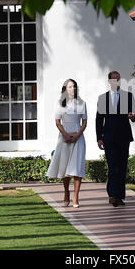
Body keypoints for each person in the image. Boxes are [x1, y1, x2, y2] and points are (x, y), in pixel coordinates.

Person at [96, 71, 135, 207]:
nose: (116, 82)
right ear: (109, 82)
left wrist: (133, 116)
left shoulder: (128, 96)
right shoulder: (103, 98)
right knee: (112, 166)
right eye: (113, 80)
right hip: (108, 138)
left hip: (124, 137)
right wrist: (99, 138)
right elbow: (99, 120)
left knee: (122, 166)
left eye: (118, 79)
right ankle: (113, 195)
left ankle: (120, 196)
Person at [46, 79, 87, 208]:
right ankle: (66, 192)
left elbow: (84, 122)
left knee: (77, 168)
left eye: (74, 87)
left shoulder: (82, 103)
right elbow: (57, 122)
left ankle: (76, 197)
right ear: (65, 89)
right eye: (70, 87)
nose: (72, 89)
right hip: (63, 138)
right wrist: (65, 134)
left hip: (78, 138)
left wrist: (77, 134)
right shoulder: (60, 104)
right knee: (64, 167)